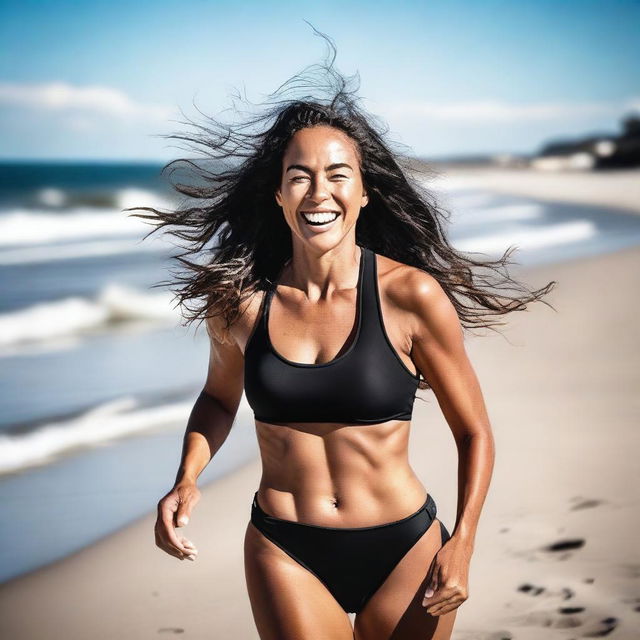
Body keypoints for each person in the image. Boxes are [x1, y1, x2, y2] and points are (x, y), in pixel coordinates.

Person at [132, 29, 555, 640]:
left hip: (405, 547)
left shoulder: (410, 297)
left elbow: (474, 431)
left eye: (337, 175)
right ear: (278, 194)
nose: (318, 192)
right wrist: (186, 478)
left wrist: (462, 542)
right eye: (299, 176)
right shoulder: (241, 305)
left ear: (363, 193)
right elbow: (220, 399)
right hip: (286, 545)